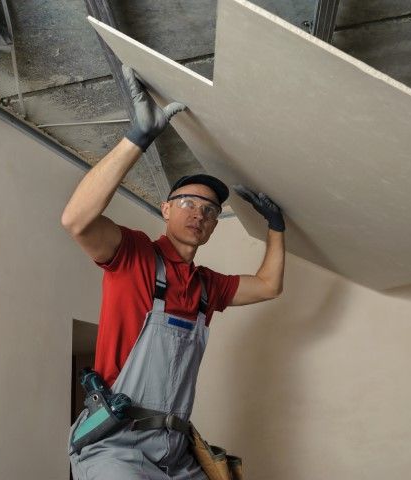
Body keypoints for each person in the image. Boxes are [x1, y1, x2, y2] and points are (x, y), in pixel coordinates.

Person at [62, 66, 285, 479]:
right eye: (187, 202)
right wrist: (138, 137)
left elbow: (269, 285)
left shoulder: (207, 287)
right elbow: (76, 220)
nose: (199, 213)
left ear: (215, 224)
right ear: (165, 209)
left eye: (210, 210)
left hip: (177, 450)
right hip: (116, 445)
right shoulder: (134, 255)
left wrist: (276, 228)